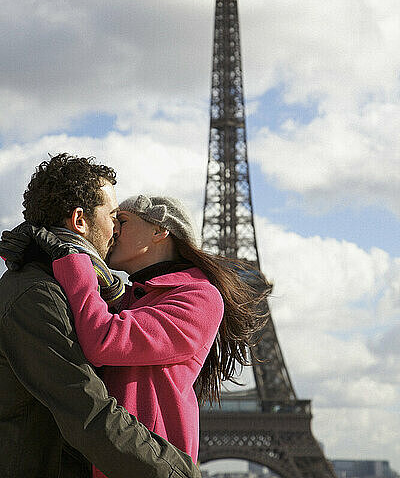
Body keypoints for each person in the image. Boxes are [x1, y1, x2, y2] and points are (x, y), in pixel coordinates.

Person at [2, 193, 268, 478]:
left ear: (159, 230)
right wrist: (41, 258)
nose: (113, 228)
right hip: (111, 459)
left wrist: (73, 256)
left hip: (149, 462)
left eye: (123, 220)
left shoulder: (199, 297)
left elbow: (105, 339)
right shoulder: (126, 297)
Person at [0, 153, 201, 478]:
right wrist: (179, 473)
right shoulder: (37, 295)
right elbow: (88, 410)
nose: (116, 230)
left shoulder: (65, 287)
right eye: (112, 217)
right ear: (80, 220)